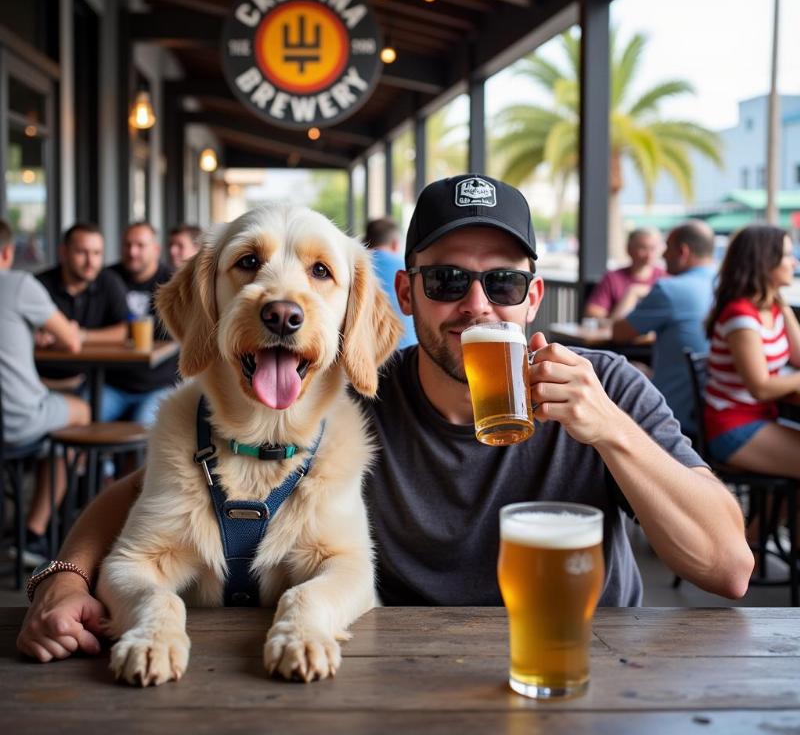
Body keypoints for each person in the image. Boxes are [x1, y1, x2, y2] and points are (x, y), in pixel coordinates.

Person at [16, 175, 753, 662]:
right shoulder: (350, 399)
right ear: (404, 294)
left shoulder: (603, 387)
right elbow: (154, 486)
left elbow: (728, 567)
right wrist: (61, 575)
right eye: (446, 280)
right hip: (401, 685)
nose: (476, 306)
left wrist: (612, 433)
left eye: (502, 282)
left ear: (533, 298)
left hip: (588, 676)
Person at [0, 219, 91, 565]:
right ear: (8, 252)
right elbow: (70, 340)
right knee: (80, 412)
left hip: (20, 412)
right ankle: (37, 532)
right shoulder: (20, 284)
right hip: (16, 421)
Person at [704, 225, 800, 473]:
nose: (794, 262)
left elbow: (798, 357)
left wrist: (784, 306)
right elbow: (760, 387)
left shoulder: (771, 307)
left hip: (764, 418)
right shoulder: (741, 316)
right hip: (734, 426)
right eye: (787, 255)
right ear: (765, 262)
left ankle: (770, 513)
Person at [611, 220, 716, 437]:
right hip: (714, 408)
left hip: (674, 415)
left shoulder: (670, 289)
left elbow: (618, 332)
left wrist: (631, 293)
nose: (663, 256)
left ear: (683, 251)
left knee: (615, 374)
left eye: (667, 248)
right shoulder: (724, 284)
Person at [36, 223, 129, 391]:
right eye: (81, 252)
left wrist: (82, 335)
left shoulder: (109, 282)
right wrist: (34, 337)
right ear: (64, 252)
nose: (90, 262)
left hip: (87, 382)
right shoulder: (38, 285)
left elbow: (124, 330)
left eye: (96, 253)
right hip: (38, 382)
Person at [102, 222, 177, 425]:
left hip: (158, 385)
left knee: (142, 431)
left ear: (156, 249)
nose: (132, 252)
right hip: (111, 384)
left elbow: (176, 335)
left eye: (140, 245)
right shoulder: (106, 278)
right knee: (83, 421)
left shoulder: (173, 283)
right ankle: (103, 459)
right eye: (127, 245)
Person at [584, 228, 666, 321]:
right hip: (618, 333)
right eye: (643, 248)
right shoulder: (612, 278)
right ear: (628, 249)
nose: (649, 255)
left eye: (653, 248)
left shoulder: (666, 277)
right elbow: (592, 312)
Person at [364, 217, 417, 349]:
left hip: (364, 357)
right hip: (407, 353)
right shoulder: (407, 268)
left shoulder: (356, 268)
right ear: (395, 244)